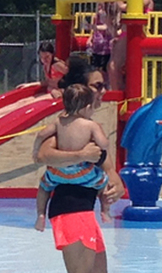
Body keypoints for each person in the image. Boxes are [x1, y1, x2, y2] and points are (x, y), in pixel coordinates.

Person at [30, 67, 124, 273]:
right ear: (80, 90)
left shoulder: (90, 127)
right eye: (96, 86)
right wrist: (80, 156)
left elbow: (108, 168)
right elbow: (42, 156)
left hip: (85, 208)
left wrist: (116, 187)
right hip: (69, 207)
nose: (101, 91)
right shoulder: (63, 127)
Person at [35, 83, 111, 232]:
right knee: (103, 181)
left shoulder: (59, 122)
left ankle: (40, 215)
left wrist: (35, 150)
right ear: (88, 107)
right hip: (83, 173)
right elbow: (103, 144)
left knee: (44, 187)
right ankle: (105, 211)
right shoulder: (91, 125)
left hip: (58, 172)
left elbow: (41, 135)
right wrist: (103, 142)